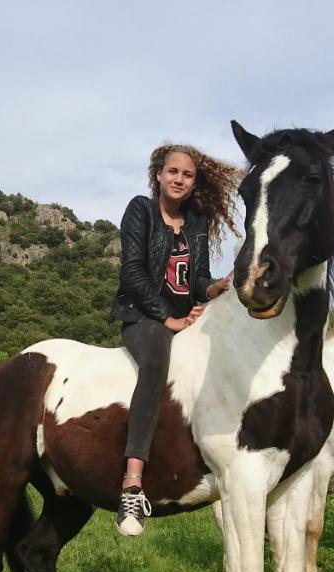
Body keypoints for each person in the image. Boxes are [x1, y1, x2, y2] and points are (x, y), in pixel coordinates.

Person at [108, 143, 242, 536]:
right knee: (155, 363)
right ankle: (132, 482)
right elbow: (132, 273)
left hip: (185, 316)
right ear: (159, 175)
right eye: (173, 172)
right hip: (143, 315)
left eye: (187, 175)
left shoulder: (196, 221)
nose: (179, 179)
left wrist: (214, 288)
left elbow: (196, 278)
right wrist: (169, 318)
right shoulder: (141, 210)